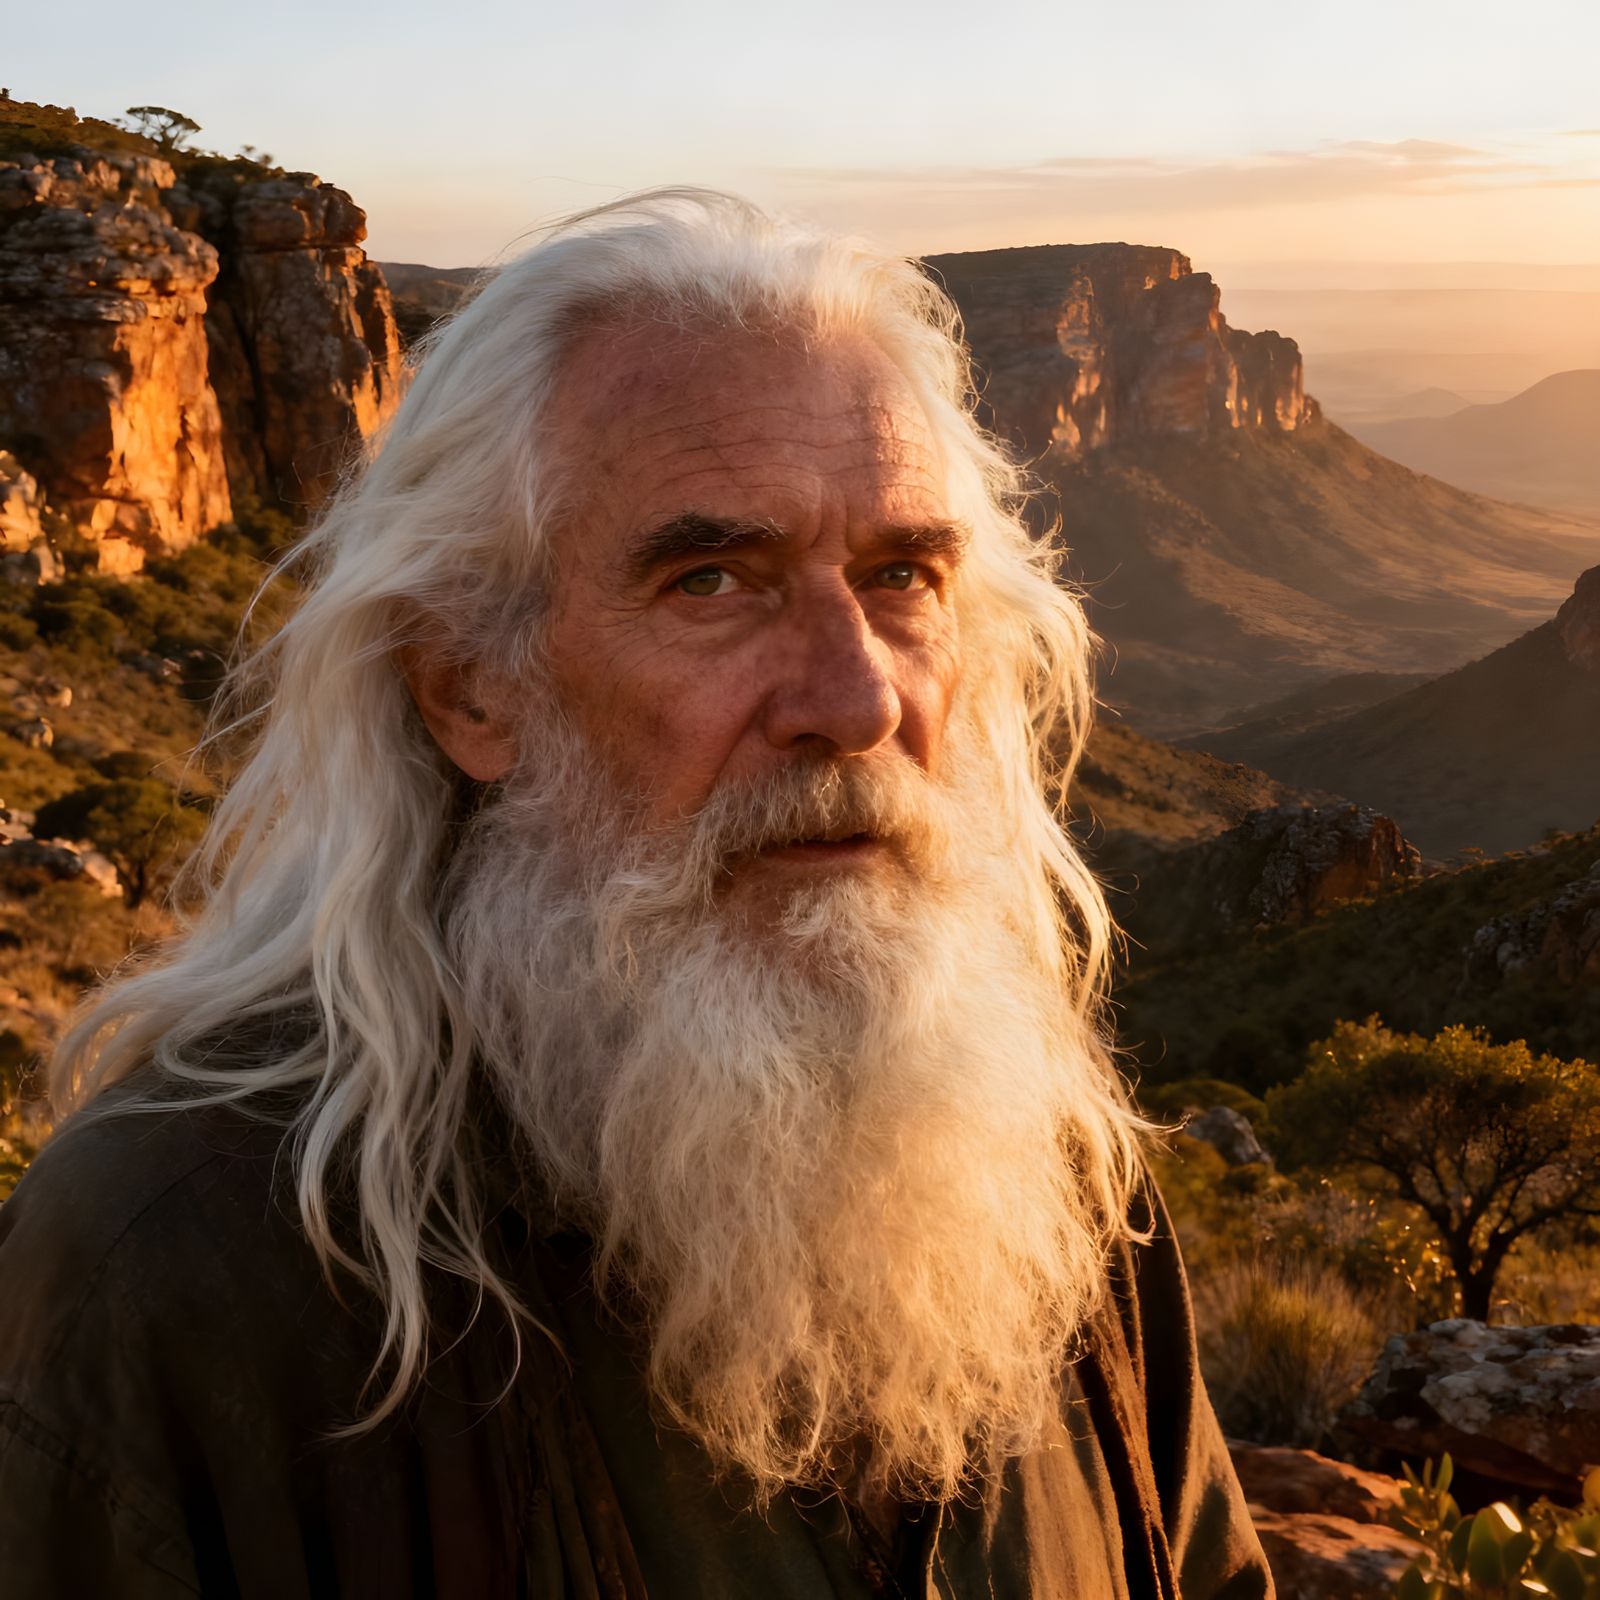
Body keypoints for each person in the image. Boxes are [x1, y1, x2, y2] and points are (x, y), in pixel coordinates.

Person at [0, 191, 1271, 1599]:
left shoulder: (1053, 1174)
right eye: (713, 580)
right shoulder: (184, 1276)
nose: (855, 702)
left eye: (902, 575)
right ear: (469, 688)